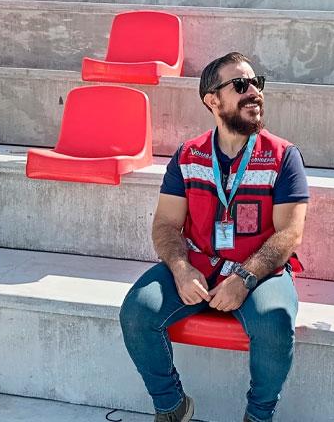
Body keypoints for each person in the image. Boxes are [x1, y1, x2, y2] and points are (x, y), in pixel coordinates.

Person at [120, 52, 308, 422]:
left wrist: (244, 278)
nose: (254, 92)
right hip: (199, 264)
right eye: (241, 85)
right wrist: (180, 268)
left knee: (275, 322)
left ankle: (258, 416)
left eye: (257, 84)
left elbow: (290, 234)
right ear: (212, 100)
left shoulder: (283, 156)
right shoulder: (188, 155)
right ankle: (172, 407)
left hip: (260, 272)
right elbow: (165, 225)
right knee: (136, 311)